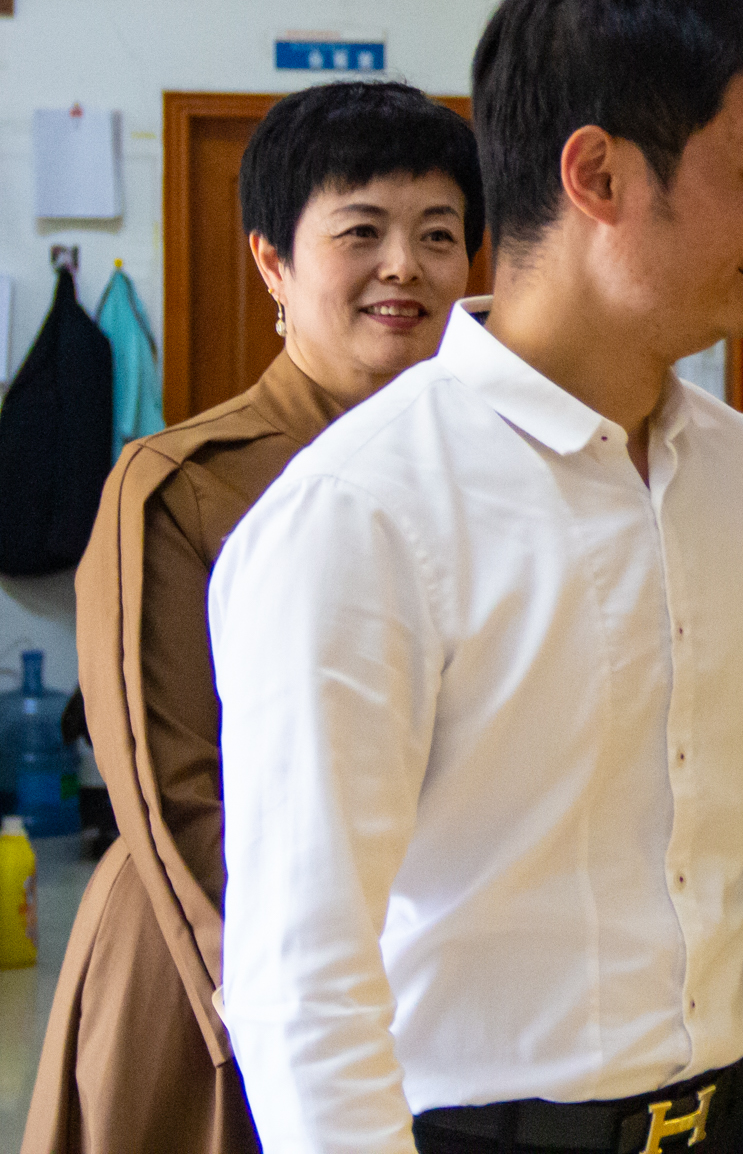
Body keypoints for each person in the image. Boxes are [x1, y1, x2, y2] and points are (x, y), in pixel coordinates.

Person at [210, 0, 743, 1154]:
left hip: (739, 1121)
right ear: (598, 176)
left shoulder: (734, 467)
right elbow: (302, 982)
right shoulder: (363, 514)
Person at [26, 81, 484, 1154]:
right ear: (272, 262)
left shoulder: (495, 470)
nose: (404, 266)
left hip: (450, 978)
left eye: (438, 234)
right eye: (360, 231)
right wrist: (304, 1018)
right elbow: (177, 797)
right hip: (219, 983)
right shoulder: (181, 486)